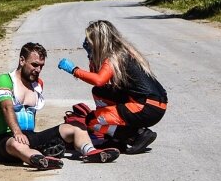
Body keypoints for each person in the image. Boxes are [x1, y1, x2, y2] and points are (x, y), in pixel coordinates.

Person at [0, 42, 120, 169]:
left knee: (76, 126)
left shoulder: (38, 84)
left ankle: (91, 152)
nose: (38, 70)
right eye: (34, 65)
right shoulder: (4, 80)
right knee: (16, 144)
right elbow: (7, 107)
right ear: (22, 60)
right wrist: (17, 132)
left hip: (29, 137)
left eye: (41, 66)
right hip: (6, 140)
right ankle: (39, 159)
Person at [58, 20, 167, 155]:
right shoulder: (122, 52)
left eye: (90, 41)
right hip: (151, 103)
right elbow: (99, 84)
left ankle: (136, 135)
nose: (87, 44)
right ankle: (115, 139)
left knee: (92, 121)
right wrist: (91, 57)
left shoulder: (114, 56)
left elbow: (98, 80)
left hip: (146, 107)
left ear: (99, 41)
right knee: (99, 92)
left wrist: (74, 70)